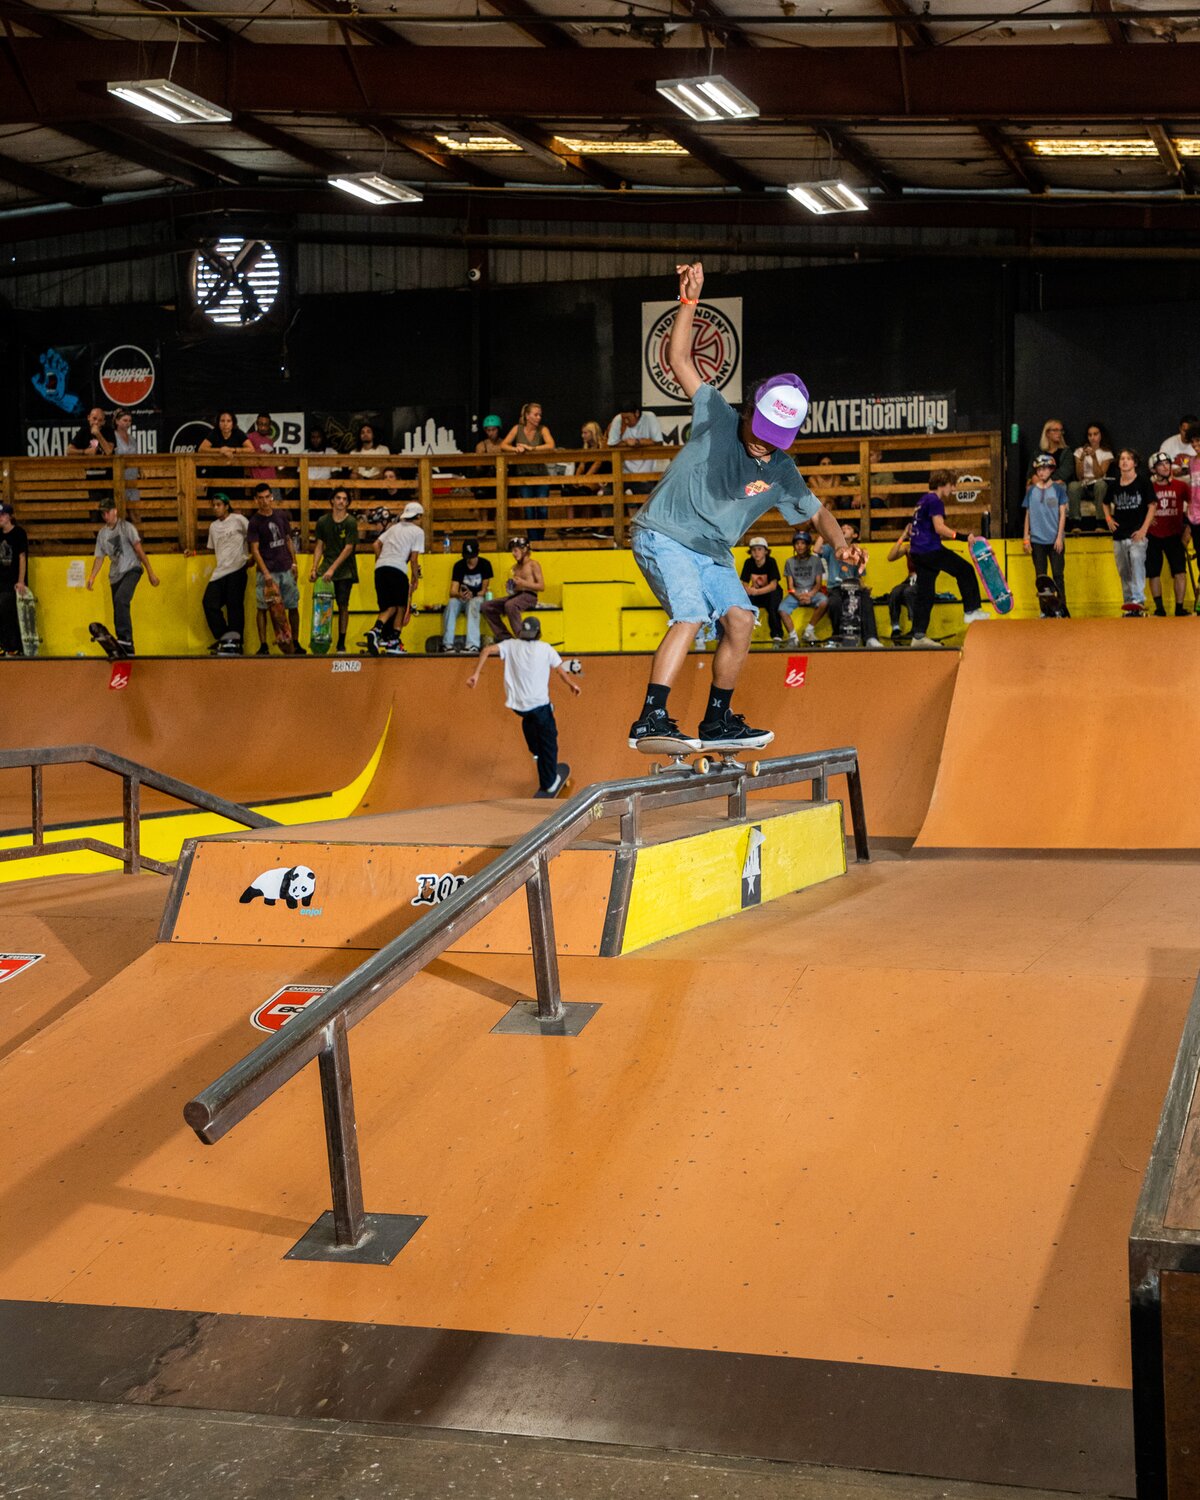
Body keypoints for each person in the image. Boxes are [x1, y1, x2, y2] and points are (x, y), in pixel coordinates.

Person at [627, 261, 857, 751]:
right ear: (750, 410)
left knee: (740, 618)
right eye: (759, 430)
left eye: (774, 439)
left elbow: (818, 512)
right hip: (664, 533)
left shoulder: (782, 469)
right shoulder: (716, 414)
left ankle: (717, 721)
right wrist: (689, 300)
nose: (761, 444)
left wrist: (841, 545)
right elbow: (679, 359)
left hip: (712, 552)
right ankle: (651, 718)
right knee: (690, 613)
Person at [466, 615, 580, 799]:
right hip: (539, 706)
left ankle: (535, 750)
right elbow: (560, 670)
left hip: (519, 707)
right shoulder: (545, 648)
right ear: (538, 633)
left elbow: (486, 650)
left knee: (529, 721)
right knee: (549, 742)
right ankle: (549, 782)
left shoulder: (510, 645)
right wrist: (571, 684)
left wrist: (476, 674)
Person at [908, 469, 989, 649]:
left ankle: (918, 636)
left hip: (917, 552)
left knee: (925, 594)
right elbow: (939, 527)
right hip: (929, 550)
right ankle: (971, 610)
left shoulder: (922, 500)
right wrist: (963, 537)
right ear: (943, 484)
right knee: (965, 569)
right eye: (952, 485)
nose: (953, 490)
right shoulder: (935, 501)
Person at [86, 499, 159, 655]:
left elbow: (139, 550)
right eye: (103, 513)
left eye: (107, 512)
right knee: (118, 608)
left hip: (132, 569)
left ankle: (126, 639)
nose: (105, 516)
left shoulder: (127, 527)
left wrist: (150, 572)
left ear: (115, 511)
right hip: (115, 575)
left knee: (121, 599)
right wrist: (92, 576)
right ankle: (124, 645)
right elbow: (99, 558)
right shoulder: (102, 534)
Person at [246, 482, 302, 655]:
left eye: (267, 497)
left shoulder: (281, 515)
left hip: (285, 567)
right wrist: (266, 573)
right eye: (260, 498)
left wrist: (294, 563)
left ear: (272, 497)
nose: (264, 501)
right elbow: (255, 550)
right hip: (267, 571)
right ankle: (263, 645)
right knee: (262, 607)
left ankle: (295, 642)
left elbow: (288, 540)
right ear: (256, 500)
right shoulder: (254, 522)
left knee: (292, 605)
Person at [1102, 448, 1157, 615]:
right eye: (1122, 459)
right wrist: (1108, 518)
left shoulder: (1143, 482)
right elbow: (1105, 503)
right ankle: (1128, 603)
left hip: (1137, 534)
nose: (1125, 461)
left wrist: (1143, 530)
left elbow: (1152, 505)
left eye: (1128, 458)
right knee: (1124, 570)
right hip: (1119, 534)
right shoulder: (1114, 485)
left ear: (1135, 463)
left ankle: (1138, 599)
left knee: (1136, 562)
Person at [367, 499, 424, 656]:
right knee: (401, 606)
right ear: (418, 516)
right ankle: (393, 641)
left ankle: (376, 630)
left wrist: (381, 559)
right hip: (397, 569)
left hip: (380, 569)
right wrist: (415, 578)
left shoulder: (394, 527)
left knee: (389, 606)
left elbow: (376, 544)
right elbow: (414, 559)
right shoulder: (418, 532)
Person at [310, 485, 359, 654]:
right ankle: (321, 638)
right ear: (332, 500)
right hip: (327, 566)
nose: (341, 502)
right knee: (322, 604)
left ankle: (341, 643)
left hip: (345, 570)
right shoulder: (323, 521)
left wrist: (332, 569)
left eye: (345, 499)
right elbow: (319, 545)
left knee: (343, 605)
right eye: (338, 498)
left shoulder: (351, 522)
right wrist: (314, 568)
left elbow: (348, 548)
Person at [1022, 452, 1069, 615]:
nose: (1041, 472)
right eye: (1039, 470)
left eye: (1045, 469)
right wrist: (1026, 537)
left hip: (1055, 540)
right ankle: (1045, 610)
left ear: (1051, 470)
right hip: (1037, 541)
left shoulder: (1058, 490)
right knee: (1041, 578)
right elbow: (1028, 514)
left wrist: (1059, 537)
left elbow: (1062, 514)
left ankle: (1061, 608)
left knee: (1058, 575)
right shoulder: (1031, 491)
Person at [822, 522, 882, 648]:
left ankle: (870, 638)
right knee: (834, 603)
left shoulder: (858, 553)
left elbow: (859, 576)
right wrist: (828, 532)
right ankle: (839, 637)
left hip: (853, 586)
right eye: (842, 528)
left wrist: (864, 587)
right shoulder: (831, 548)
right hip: (836, 587)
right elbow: (816, 549)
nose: (844, 529)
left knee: (866, 600)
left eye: (848, 528)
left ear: (855, 535)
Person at [202, 492, 249, 651]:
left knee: (234, 607)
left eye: (219, 505)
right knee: (209, 603)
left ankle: (237, 643)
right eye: (214, 505)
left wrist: (251, 557)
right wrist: (194, 552)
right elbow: (211, 548)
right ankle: (225, 637)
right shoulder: (213, 526)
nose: (216, 508)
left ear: (227, 506)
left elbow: (252, 537)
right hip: (220, 571)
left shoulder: (239, 520)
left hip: (237, 568)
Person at [501, 402, 555, 536]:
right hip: (524, 475)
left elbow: (551, 445)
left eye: (540, 415)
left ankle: (540, 539)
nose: (539, 418)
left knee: (542, 509)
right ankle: (532, 540)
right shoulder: (517, 429)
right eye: (536, 415)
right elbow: (504, 445)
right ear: (527, 416)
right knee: (529, 509)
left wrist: (533, 448)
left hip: (541, 474)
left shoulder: (542, 429)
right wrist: (515, 449)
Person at [1147, 450, 1189, 617]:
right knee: (1153, 572)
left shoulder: (1181, 486)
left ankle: (1179, 608)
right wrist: (1146, 519)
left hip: (1174, 534)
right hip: (1153, 535)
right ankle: (1159, 609)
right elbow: (1140, 507)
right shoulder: (1149, 488)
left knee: (1180, 571)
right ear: (1153, 469)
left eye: (1167, 463)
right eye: (1160, 465)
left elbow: (1194, 505)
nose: (1165, 467)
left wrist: (1188, 529)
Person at [483, 535, 544, 640]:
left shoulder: (533, 564)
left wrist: (523, 583)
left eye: (515, 551)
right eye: (512, 551)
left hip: (530, 596)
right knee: (487, 606)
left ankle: (522, 637)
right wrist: (511, 588)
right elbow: (515, 590)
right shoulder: (514, 568)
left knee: (510, 605)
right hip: (517, 596)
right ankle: (506, 637)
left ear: (524, 550)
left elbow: (541, 586)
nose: (513, 554)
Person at [442, 538, 493, 654]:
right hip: (463, 598)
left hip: (477, 597)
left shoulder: (485, 564)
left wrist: (473, 594)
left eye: (472, 557)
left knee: (474, 603)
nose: (469, 560)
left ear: (477, 553)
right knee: (452, 603)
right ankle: (447, 644)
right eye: (467, 557)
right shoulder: (459, 566)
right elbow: (452, 591)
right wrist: (460, 594)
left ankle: (472, 644)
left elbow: (484, 591)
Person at [780, 529, 828, 645]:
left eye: (803, 543)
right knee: (782, 609)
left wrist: (810, 595)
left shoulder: (816, 561)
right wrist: (799, 596)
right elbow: (790, 586)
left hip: (813, 592)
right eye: (797, 543)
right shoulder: (789, 562)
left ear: (808, 545)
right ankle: (793, 637)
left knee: (824, 601)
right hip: (796, 593)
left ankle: (809, 630)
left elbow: (818, 584)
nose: (799, 546)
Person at [608, 400, 664, 496]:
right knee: (607, 493)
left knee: (644, 494)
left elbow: (658, 442)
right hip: (624, 473)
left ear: (637, 413)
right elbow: (611, 444)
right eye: (624, 418)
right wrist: (627, 443)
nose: (626, 421)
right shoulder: (618, 419)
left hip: (646, 473)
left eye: (628, 418)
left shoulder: (649, 417)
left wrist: (638, 442)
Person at [1067, 422, 1113, 531]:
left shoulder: (1106, 453)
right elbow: (1079, 476)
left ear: (1101, 435)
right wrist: (1081, 459)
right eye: (1090, 435)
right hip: (1084, 485)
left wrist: (1094, 458)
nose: (1092, 437)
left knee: (1101, 484)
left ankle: (1101, 523)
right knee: (1073, 486)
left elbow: (1099, 475)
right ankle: (1075, 523)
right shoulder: (1079, 451)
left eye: (1095, 434)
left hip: (1098, 486)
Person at [740, 536, 786, 645]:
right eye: (754, 550)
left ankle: (777, 635)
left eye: (759, 549)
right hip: (756, 593)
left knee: (773, 603)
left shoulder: (771, 562)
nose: (757, 553)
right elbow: (744, 583)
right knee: (742, 603)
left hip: (770, 593)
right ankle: (742, 635)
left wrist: (756, 592)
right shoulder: (748, 562)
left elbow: (773, 585)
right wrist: (749, 590)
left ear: (766, 551)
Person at [0, 501, 30, 658]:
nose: (0, 518)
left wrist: (21, 580)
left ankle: (14, 646)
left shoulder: (19, 533)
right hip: (1, 580)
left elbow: (22, 557)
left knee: (8, 610)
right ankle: (3, 644)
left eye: (2, 515)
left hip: (13, 581)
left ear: (9, 517)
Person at [198, 411, 250, 496]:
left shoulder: (238, 433)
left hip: (235, 474)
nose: (225, 424)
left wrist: (233, 450)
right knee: (216, 501)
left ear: (233, 423)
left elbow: (251, 449)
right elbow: (201, 449)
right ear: (218, 423)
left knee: (236, 501)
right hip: (216, 474)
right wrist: (220, 450)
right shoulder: (215, 433)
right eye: (222, 421)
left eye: (228, 421)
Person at [885, 524, 918, 643]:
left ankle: (916, 627)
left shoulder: (927, 546)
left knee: (909, 592)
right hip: (909, 580)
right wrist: (903, 536)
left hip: (923, 581)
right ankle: (895, 627)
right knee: (895, 592)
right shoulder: (908, 548)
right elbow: (890, 557)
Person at [111, 408, 141, 514]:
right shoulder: (113, 437)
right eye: (125, 420)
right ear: (117, 421)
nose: (127, 423)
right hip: (119, 479)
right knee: (120, 513)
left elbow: (136, 457)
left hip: (132, 480)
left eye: (129, 421)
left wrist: (140, 470)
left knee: (136, 513)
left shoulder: (132, 439)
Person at [1035, 420, 1074, 488]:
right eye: (1055, 430)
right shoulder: (1039, 452)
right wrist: (1040, 482)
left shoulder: (1066, 451)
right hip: (1040, 484)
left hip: (1058, 483)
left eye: (1061, 430)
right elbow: (1032, 472)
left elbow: (1064, 472)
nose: (1059, 433)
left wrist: (1047, 481)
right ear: (1047, 433)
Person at [352, 421, 389, 487]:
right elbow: (354, 471)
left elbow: (383, 471)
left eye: (368, 432)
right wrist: (364, 480)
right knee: (353, 476)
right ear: (360, 436)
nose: (365, 434)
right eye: (362, 432)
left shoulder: (383, 449)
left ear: (373, 435)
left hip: (378, 480)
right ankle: (356, 494)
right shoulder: (354, 452)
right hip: (361, 481)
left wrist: (372, 479)